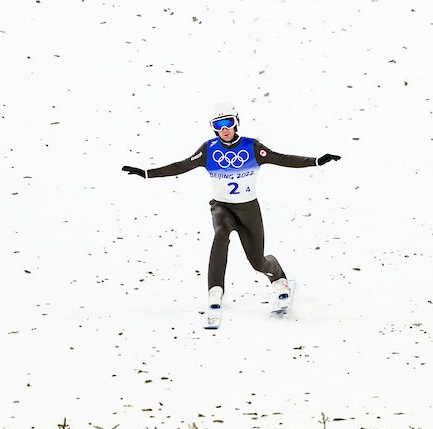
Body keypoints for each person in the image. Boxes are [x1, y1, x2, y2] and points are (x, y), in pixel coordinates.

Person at [121, 103, 340, 327]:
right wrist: (147, 173)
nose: (225, 129)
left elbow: (282, 159)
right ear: (214, 128)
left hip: (249, 210)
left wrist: (316, 161)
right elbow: (181, 166)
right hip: (222, 207)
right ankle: (215, 291)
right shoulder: (209, 150)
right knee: (221, 233)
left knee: (257, 261)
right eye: (219, 125)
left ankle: (278, 277)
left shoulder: (252, 147)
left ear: (236, 123)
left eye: (229, 123)